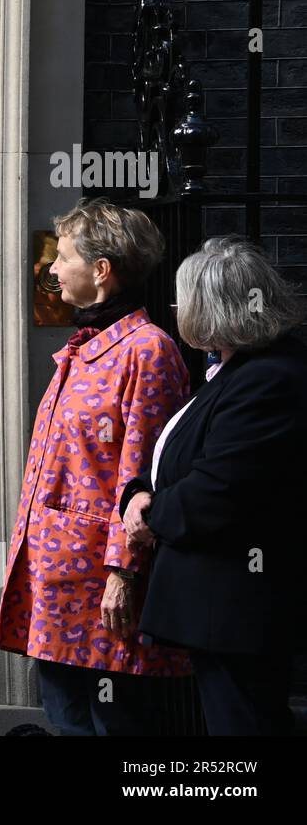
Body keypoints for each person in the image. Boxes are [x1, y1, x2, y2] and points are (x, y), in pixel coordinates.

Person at [0, 198, 190, 735]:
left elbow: (144, 477)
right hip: (58, 580)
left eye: (63, 257)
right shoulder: (84, 347)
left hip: (100, 590)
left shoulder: (147, 351)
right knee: (67, 720)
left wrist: (123, 576)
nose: (52, 269)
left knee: (111, 724)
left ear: (101, 271)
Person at [121, 235, 307, 735]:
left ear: (213, 309)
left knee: (245, 725)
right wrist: (138, 489)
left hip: (238, 603)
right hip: (219, 602)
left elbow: (220, 487)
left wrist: (149, 516)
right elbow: (180, 451)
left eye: (185, 300)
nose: (177, 309)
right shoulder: (235, 368)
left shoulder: (269, 377)